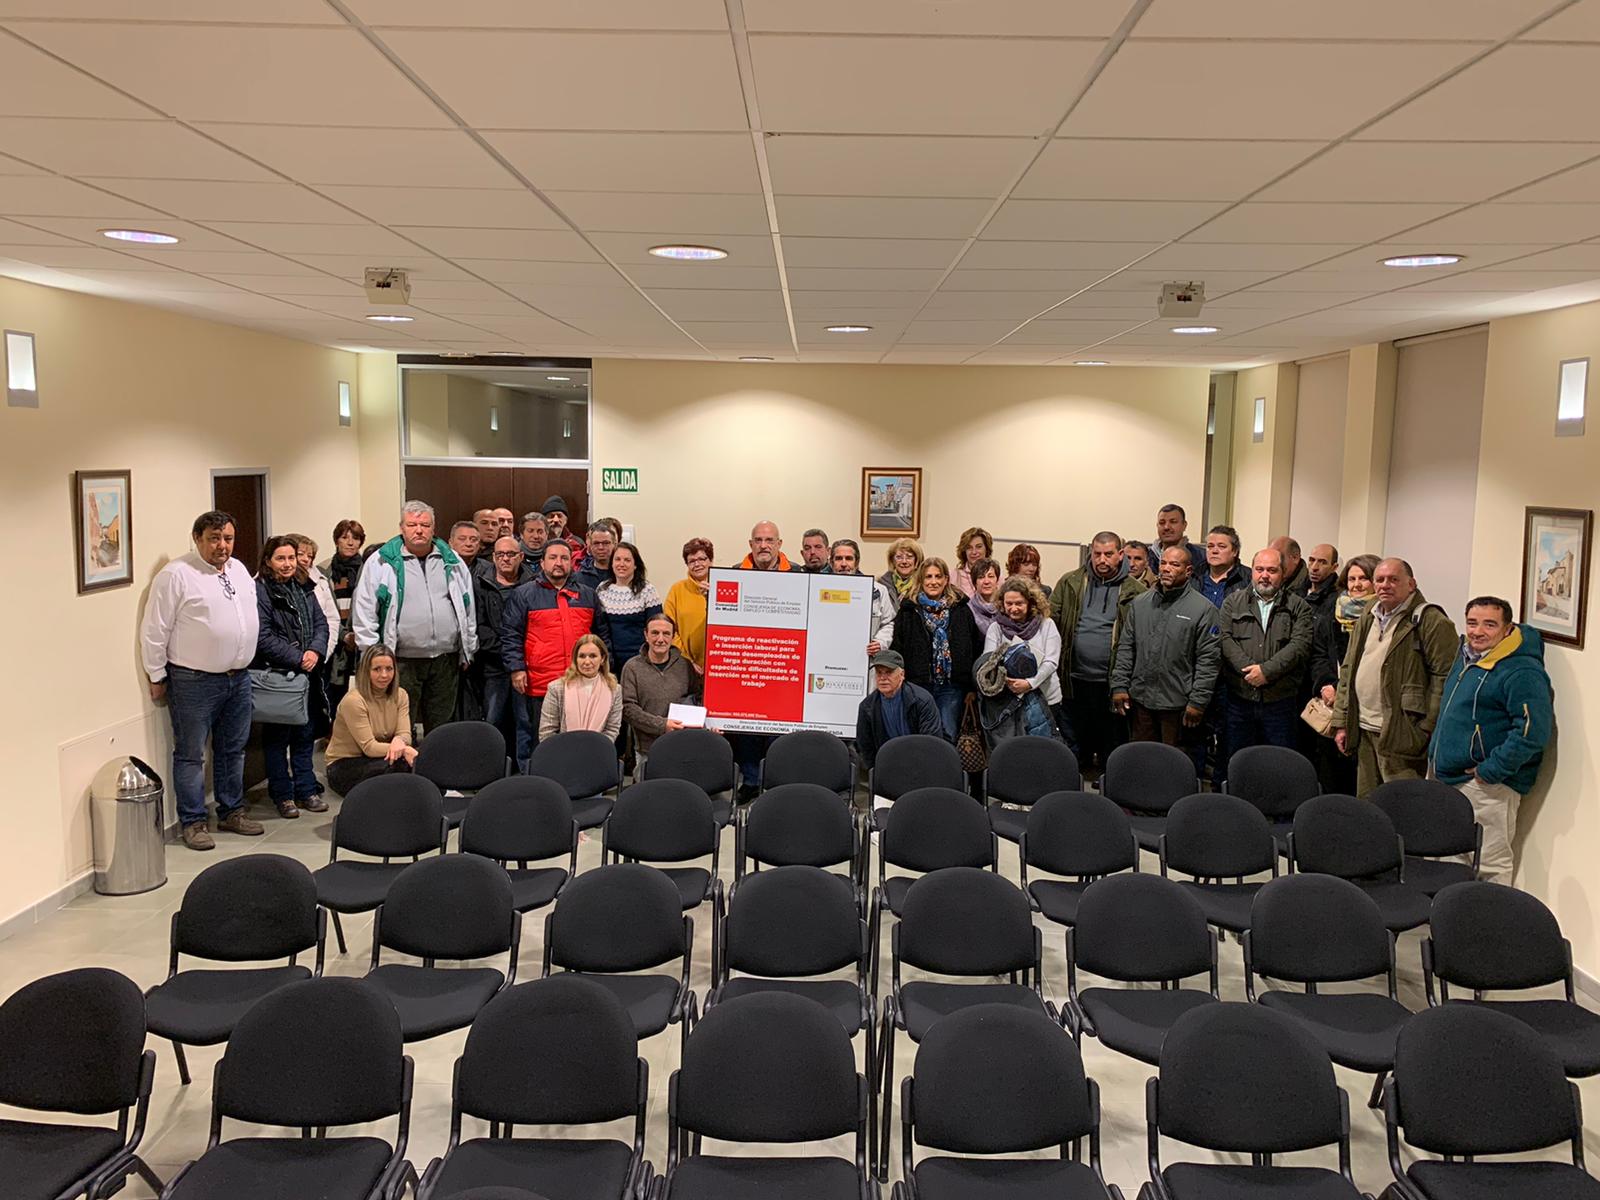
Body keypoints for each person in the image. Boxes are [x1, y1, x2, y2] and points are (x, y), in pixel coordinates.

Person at [139, 510, 266, 851]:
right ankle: (193, 822)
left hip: (238, 678)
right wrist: (156, 673)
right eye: (214, 539)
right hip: (193, 680)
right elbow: (155, 629)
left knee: (233, 749)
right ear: (197, 539)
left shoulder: (239, 570)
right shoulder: (176, 575)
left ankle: (231, 811)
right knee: (191, 754)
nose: (222, 545)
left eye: (228, 538)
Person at [1428, 597, 1553, 886]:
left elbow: (1532, 732)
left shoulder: (1522, 671)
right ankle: (1455, 913)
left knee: (1489, 863)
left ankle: (1492, 915)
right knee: (1451, 857)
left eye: (1489, 625)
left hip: (1486, 787)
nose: (1478, 631)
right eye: (1472, 623)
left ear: (1507, 629)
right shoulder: (1467, 655)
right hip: (1449, 777)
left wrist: (1491, 770)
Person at [1330, 558, 1459, 796]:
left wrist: (1426, 728)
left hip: (1402, 733)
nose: (1385, 585)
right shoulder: (1369, 613)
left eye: (1393, 579)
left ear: (1411, 584)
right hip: (1364, 727)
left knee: (1402, 804)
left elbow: (1445, 677)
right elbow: (1349, 667)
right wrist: (1341, 721)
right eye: (1380, 580)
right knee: (1368, 803)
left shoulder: (1431, 620)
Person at [352, 501, 478, 738]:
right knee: (399, 727)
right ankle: (403, 763)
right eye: (412, 525)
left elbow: (467, 606)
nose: (419, 530)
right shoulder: (381, 561)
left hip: (445, 660)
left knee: (441, 727)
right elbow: (365, 610)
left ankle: (437, 762)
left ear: (433, 528)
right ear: (402, 528)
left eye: (425, 525)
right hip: (400, 660)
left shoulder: (452, 560)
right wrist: (372, 654)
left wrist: (468, 649)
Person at [502, 539, 608, 766]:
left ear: (571, 562)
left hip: (579, 681)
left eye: (564, 558)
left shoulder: (588, 595)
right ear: (542, 562)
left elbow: (601, 637)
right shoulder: (524, 594)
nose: (558, 563)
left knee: (574, 739)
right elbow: (511, 635)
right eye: (553, 558)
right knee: (534, 738)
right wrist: (516, 668)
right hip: (538, 682)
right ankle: (531, 779)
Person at [1052, 531, 1145, 776]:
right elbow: (1052, 622)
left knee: (1111, 740)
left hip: (1111, 681)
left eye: (1108, 554)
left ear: (1121, 554)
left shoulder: (1136, 591)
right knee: (1075, 739)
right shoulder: (1070, 582)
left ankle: (1107, 784)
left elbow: (1139, 638)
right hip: (1073, 676)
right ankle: (1072, 784)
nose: (1102, 559)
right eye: (1097, 554)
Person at [1110, 546, 1220, 749]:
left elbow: (1208, 662)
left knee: (1173, 761)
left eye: (1174, 564)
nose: (1166, 568)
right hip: (1140, 701)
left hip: (1178, 705)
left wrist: (1198, 702)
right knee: (1140, 758)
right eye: (1163, 563)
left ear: (1188, 571)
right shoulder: (1140, 603)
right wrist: (1119, 686)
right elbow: (1126, 648)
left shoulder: (1204, 610)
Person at [252, 535, 329, 819]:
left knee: (305, 736)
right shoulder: (261, 590)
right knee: (277, 740)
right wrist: (298, 657)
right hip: (280, 676)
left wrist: (315, 651)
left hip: (309, 674)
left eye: (291, 558)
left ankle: (306, 790)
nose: (287, 564)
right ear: (268, 561)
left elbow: (321, 623)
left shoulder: (304, 585)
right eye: (280, 558)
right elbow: (263, 636)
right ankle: (283, 795)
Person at [1218, 547, 1314, 754]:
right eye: (1259, 569)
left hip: (1280, 701)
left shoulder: (1299, 606)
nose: (1264, 575)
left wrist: (1266, 672)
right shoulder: (1232, 603)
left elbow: (1300, 645)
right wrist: (1250, 672)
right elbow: (1225, 639)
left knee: (1278, 759)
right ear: (1252, 571)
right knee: (1236, 757)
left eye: (1272, 570)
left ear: (1283, 573)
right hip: (1239, 699)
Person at [1310, 554, 1379, 794]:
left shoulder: (1381, 618)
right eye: (1351, 579)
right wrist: (1326, 684)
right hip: (1331, 704)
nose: (1356, 585)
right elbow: (1319, 653)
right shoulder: (1333, 611)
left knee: (1362, 781)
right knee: (1330, 777)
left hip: (1365, 708)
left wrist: (1342, 688)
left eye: (1363, 578)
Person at [891, 556, 981, 739]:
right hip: (917, 685)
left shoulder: (961, 609)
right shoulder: (908, 610)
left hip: (951, 686)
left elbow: (973, 648)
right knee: (917, 735)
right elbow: (898, 647)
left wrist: (971, 687)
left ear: (946, 579)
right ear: (921, 580)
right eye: (928, 577)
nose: (933, 582)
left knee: (947, 734)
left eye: (938, 576)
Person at [324, 644, 418, 796]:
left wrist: (399, 740)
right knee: (400, 767)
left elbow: (405, 734)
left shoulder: (401, 695)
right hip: (345, 764)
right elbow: (369, 747)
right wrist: (404, 749)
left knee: (420, 760)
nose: (384, 675)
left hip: (382, 756)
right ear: (366, 671)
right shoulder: (354, 701)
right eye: (377, 669)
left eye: (389, 669)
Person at [473, 535, 534, 754]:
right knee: (493, 719)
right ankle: (492, 765)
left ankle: (525, 767)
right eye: (500, 554)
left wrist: (517, 656)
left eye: (510, 554)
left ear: (521, 556)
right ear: (493, 557)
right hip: (494, 665)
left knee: (526, 720)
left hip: (526, 665)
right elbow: (478, 627)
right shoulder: (480, 584)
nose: (505, 559)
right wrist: (508, 651)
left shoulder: (534, 584)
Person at [621, 614, 701, 776]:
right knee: (648, 790)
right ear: (646, 635)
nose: (660, 639)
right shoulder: (632, 667)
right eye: (655, 633)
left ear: (673, 636)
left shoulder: (685, 666)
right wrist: (661, 725)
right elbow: (628, 709)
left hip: (681, 746)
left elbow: (696, 700)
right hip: (647, 750)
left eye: (666, 634)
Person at [982, 577, 1062, 739]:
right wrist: (1006, 682)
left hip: (1046, 698)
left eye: (1019, 603)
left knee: (1042, 748)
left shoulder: (1047, 625)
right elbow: (988, 661)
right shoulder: (995, 628)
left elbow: (1051, 661)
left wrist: (1029, 684)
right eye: (1009, 603)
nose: (1013, 608)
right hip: (1009, 700)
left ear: (1030, 602)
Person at [289, 534, 340, 744]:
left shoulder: (319, 580)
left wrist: (320, 652)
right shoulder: (269, 583)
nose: (305, 559)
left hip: (317, 659)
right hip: (288, 662)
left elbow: (330, 620)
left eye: (309, 556)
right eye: (300, 554)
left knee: (310, 722)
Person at [856, 649, 945, 768]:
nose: (883, 678)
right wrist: (877, 771)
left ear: (902, 674)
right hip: (887, 764)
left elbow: (931, 741)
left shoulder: (922, 700)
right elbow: (866, 747)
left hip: (922, 762)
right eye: (879, 672)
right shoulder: (867, 707)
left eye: (888, 672)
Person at [539, 633, 624, 741]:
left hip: (598, 749)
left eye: (593, 656)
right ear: (575, 659)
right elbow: (546, 732)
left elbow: (612, 729)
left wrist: (595, 748)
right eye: (582, 656)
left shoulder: (615, 690)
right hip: (562, 750)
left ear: (602, 659)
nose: (587, 662)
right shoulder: (556, 688)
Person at [596, 541, 663, 669]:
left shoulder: (648, 590)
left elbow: (655, 628)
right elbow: (600, 629)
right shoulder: (602, 590)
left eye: (627, 560)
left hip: (642, 660)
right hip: (610, 660)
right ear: (612, 563)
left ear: (635, 565)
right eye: (617, 559)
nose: (621, 564)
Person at [320, 519, 366, 700]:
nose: (350, 542)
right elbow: (321, 609)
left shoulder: (368, 568)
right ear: (336, 540)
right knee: (333, 696)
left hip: (360, 638)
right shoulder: (324, 570)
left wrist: (356, 634)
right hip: (333, 638)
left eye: (355, 538)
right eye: (345, 537)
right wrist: (343, 635)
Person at [831, 538, 899, 658]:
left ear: (857, 563)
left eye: (849, 558)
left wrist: (880, 642)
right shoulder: (818, 590)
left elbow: (889, 622)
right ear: (831, 563)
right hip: (829, 655)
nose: (843, 564)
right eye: (838, 558)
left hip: (866, 658)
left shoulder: (878, 590)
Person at [665, 538, 713, 672]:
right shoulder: (676, 590)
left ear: (711, 561)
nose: (697, 564)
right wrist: (687, 660)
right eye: (692, 561)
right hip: (685, 665)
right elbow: (669, 629)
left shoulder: (723, 587)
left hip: (719, 664)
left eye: (702, 559)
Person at [1194, 525, 1249, 609]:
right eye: (1210, 546)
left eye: (1221, 546)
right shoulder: (1194, 576)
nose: (1214, 551)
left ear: (1234, 551)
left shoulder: (1248, 579)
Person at [1155, 503, 1206, 575]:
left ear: (1184, 525)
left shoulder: (1201, 557)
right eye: (1162, 523)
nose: (1166, 527)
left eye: (1173, 522)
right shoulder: (1146, 557)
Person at [878, 537, 924, 609]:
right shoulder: (881, 584)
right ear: (892, 561)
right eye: (899, 557)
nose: (904, 561)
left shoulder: (923, 585)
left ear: (917, 560)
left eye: (909, 557)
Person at [965, 557, 1004, 639]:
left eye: (991, 576)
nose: (986, 581)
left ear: (997, 580)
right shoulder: (968, 610)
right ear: (975, 583)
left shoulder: (1006, 606)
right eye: (981, 577)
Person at [572, 521, 616, 590]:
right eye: (596, 543)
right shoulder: (578, 578)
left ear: (614, 544)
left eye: (606, 543)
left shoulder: (621, 574)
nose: (601, 547)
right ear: (590, 546)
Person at [952, 526, 993, 597]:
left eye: (979, 547)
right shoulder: (954, 576)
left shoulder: (997, 576)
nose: (974, 552)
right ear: (964, 551)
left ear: (987, 549)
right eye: (969, 548)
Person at [541, 495, 585, 560]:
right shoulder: (537, 541)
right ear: (543, 520)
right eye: (551, 516)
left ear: (566, 520)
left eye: (559, 516)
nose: (556, 520)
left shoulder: (578, 543)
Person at [1304, 543, 1340, 614]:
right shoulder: (1297, 589)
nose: (1314, 567)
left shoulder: (1338, 599)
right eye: (1312, 560)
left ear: (1334, 567)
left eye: (1323, 562)